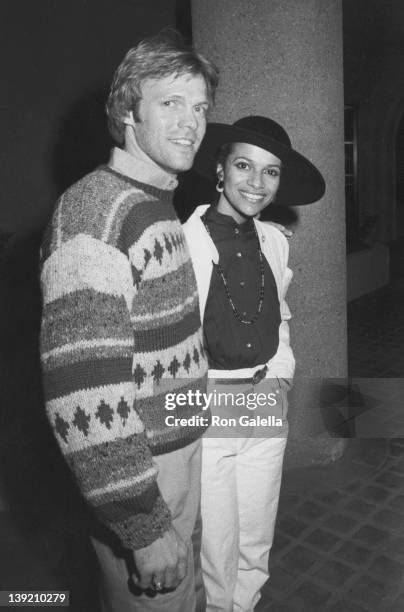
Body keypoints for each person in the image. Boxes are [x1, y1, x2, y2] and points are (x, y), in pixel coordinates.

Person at [39, 31, 219, 612]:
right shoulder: (96, 212)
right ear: (126, 112)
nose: (191, 121)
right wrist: (142, 526)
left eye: (199, 107)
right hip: (143, 470)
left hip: (174, 449)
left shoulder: (153, 201)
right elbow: (82, 398)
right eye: (170, 102)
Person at [183, 115, 325, 611]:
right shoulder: (183, 244)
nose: (257, 183)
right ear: (220, 170)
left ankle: (246, 605)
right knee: (215, 540)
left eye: (270, 172)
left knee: (256, 531)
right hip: (209, 402)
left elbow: (281, 317)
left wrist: (282, 378)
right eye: (244, 165)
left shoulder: (276, 240)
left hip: (264, 397)